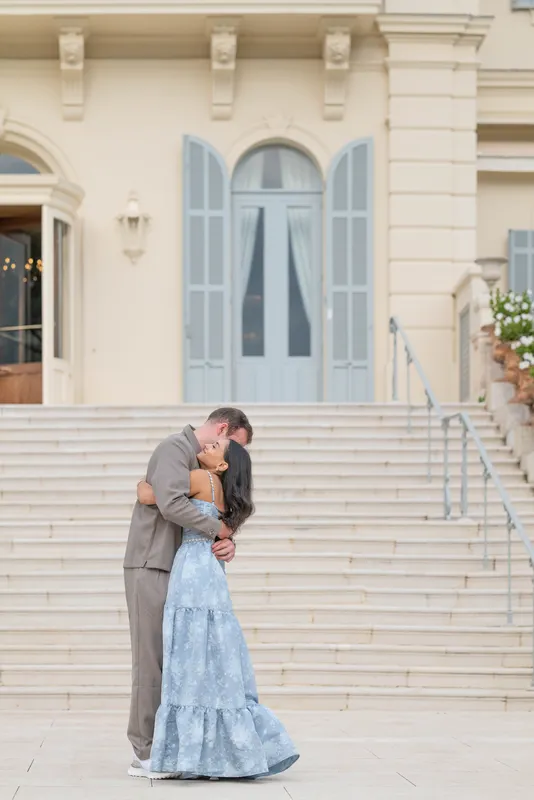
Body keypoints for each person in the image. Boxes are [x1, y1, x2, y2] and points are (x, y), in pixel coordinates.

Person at [135, 438, 299, 780]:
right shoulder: (228, 496)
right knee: (212, 651)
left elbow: (150, 496)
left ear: (221, 466)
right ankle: (221, 748)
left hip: (192, 568)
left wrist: (143, 485)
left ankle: (189, 750)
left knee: (189, 651)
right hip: (212, 573)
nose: (207, 445)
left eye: (216, 448)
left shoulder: (199, 478)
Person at [123, 407, 253, 780]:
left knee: (179, 660)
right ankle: (145, 751)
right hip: (153, 565)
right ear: (224, 429)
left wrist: (224, 538)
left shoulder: (203, 469)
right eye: (233, 446)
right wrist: (219, 530)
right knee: (152, 658)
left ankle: (174, 745)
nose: (230, 458)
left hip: (183, 568)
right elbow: (169, 501)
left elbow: (154, 494)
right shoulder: (174, 449)